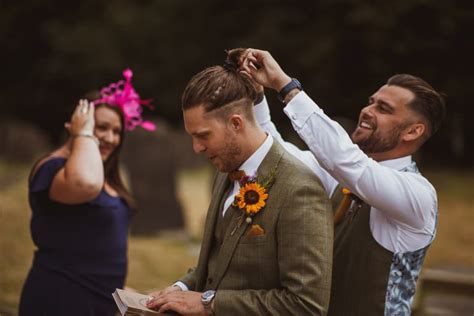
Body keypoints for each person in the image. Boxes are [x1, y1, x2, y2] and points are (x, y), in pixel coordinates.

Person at [239, 48, 446, 315]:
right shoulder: (340, 176)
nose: (367, 111)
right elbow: (274, 152)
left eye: (383, 109)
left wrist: (285, 85)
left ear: (413, 131)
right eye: (371, 102)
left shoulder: (419, 195)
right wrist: (255, 93)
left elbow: (347, 161)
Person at [146, 51, 333, 315]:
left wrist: (208, 303)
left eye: (203, 136)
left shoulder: (299, 189)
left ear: (236, 123)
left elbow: (305, 305)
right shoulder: (224, 171)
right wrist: (178, 290)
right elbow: (215, 268)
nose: (196, 148)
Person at [19, 69, 155, 315]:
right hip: (60, 298)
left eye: (117, 132)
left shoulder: (106, 177)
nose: (110, 138)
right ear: (77, 122)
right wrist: (82, 133)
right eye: (100, 127)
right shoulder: (54, 168)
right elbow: (85, 184)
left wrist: (132, 298)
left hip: (100, 302)